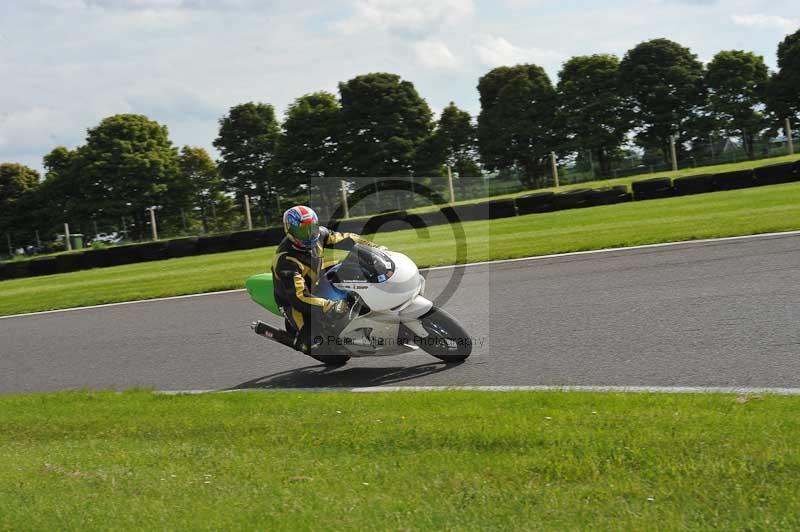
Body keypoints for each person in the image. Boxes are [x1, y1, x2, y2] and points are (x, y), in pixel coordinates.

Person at [272, 205, 377, 354]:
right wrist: (328, 305)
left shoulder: (320, 234)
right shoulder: (285, 260)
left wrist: (373, 247)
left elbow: (348, 239)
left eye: (311, 228)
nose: (309, 234)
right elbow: (299, 297)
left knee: (354, 265)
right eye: (302, 231)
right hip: (292, 301)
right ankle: (300, 341)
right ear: (289, 230)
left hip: (317, 278)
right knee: (313, 343)